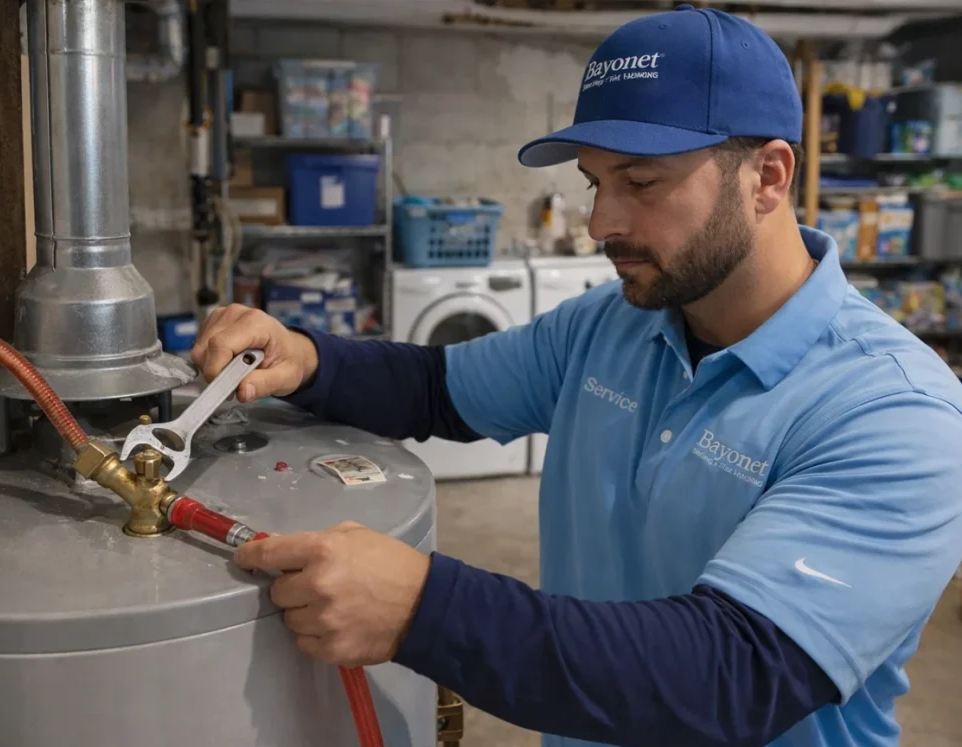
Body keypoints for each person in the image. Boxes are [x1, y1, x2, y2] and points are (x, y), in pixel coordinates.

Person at [192, 6, 962, 747]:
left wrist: (424, 607)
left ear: (767, 176)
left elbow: (732, 675)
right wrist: (309, 357)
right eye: (596, 182)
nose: (601, 224)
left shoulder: (896, 411)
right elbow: (439, 386)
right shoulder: (612, 323)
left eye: (642, 182)